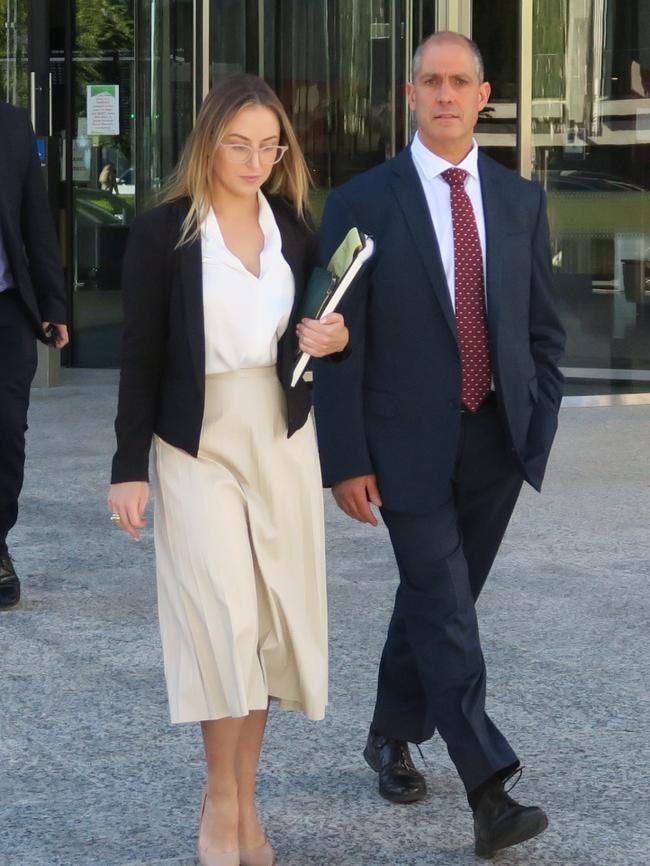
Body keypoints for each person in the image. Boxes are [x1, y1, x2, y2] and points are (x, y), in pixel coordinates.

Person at [313, 32, 565, 859]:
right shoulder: (362, 201)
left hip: (498, 438)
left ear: (485, 95)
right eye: (432, 82)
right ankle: (490, 788)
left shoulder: (520, 201)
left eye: (461, 82)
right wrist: (345, 457)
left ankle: (390, 733)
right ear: (410, 93)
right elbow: (336, 342)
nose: (447, 95)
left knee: (435, 599)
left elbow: (541, 329)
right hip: (403, 445)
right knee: (447, 609)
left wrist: (540, 419)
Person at [107, 74, 348, 866]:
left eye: (269, 146)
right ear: (209, 142)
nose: (255, 160)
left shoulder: (294, 228)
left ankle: (247, 803)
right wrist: (127, 466)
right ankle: (220, 802)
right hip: (195, 438)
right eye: (239, 144)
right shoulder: (163, 232)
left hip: (279, 435)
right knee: (222, 623)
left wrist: (329, 341)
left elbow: (303, 335)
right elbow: (139, 355)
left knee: (271, 624)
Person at [0, 101, 69, 610]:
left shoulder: (12, 124)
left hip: (6, 309)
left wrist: (52, 302)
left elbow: (35, 220)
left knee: (6, 433)